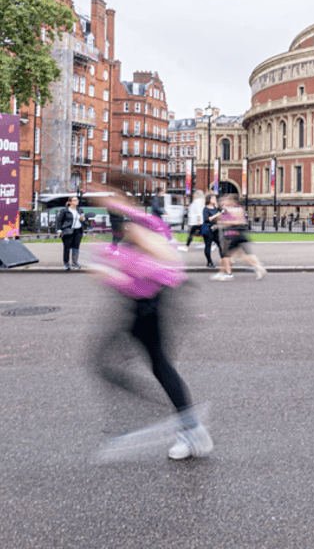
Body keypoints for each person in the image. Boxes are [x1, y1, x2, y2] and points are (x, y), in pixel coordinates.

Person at [89, 185, 212, 460]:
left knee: (149, 365)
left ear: (119, 195)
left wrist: (112, 266)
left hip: (149, 306)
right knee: (123, 365)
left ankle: (185, 423)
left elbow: (166, 260)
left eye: (104, 193)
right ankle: (185, 423)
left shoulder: (136, 223)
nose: (97, 198)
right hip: (140, 305)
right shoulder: (129, 220)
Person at [213, 193, 265, 280]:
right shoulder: (239, 209)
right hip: (241, 233)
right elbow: (241, 221)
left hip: (232, 234)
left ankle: (225, 274)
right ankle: (259, 267)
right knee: (244, 255)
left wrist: (222, 221)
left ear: (232, 201)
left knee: (226, 255)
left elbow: (232, 221)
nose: (224, 201)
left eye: (226, 200)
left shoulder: (228, 210)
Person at [56, 195, 86, 270]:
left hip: (78, 231)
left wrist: (83, 219)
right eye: (74, 200)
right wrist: (59, 231)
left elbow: (83, 220)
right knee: (67, 248)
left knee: (76, 248)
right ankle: (66, 263)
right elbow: (59, 221)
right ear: (70, 202)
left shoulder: (80, 210)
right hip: (67, 231)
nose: (77, 201)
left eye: (77, 200)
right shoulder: (65, 210)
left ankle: (75, 263)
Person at [202, 193, 223, 269]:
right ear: (209, 200)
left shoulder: (215, 208)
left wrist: (219, 217)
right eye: (213, 198)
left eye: (215, 198)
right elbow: (207, 219)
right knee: (208, 246)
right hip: (207, 229)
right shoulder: (205, 209)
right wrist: (216, 215)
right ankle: (209, 262)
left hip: (215, 229)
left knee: (221, 245)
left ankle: (224, 261)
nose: (215, 199)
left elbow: (217, 218)